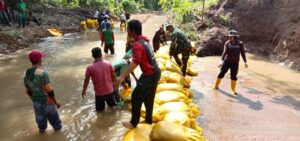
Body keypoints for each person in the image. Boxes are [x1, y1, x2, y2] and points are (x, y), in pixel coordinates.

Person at [115, 20, 161, 129]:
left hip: (149, 74)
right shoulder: (144, 41)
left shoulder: (137, 44)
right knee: (149, 97)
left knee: (135, 96)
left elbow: (135, 62)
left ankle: (133, 123)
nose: (127, 31)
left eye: (128, 29)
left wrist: (122, 76)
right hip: (156, 72)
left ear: (132, 30)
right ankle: (148, 119)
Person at [24, 50, 62, 133]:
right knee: (56, 125)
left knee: (41, 126)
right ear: (40, 60)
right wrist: (56, 102)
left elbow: (28, 91)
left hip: (36, 103)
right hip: (47, 102)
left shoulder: (26, 75)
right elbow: (49, 90)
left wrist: (34, 100)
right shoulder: (43, 73)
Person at [82, 47, 117, 111]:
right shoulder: (108, 64)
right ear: (101, 54)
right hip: (109, 90)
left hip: (99, 93)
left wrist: (84, 90)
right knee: (113, 106)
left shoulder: (90, 67)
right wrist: (115, 85)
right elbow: (114, 76)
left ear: (93, 56)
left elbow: (86, 80)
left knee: (100, 111)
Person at [213, 30, 248, 95]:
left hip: (235, 63)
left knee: (234, 76)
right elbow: (224, 52)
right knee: (221, 73)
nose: (230, 38)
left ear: (235, 37)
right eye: (229, 36)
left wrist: (245, 62)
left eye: (231, 36)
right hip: (227, 61)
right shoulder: (227, 43)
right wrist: (221, 61)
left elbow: (243, 53)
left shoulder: (240, 44)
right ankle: (216, 86)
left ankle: (233, 90)